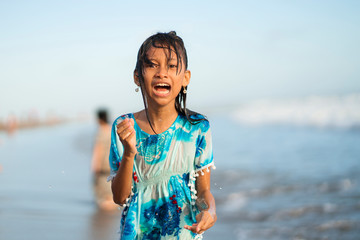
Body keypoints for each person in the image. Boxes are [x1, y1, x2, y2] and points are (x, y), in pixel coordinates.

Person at [108, 31, 217, 239]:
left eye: (172, 66)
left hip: (182, 233)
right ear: (137, 77)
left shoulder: (197, 128)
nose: (162, 73)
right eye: (152, 65)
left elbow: (203, 192)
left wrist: (209, 210)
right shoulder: (124, 127)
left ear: (185, 78)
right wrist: (129, 152)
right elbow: (120, 198)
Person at [91, 109, 118, 211]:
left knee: (103, 193)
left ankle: (106, 215)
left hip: (103, 165)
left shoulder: (101, 131)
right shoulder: (112, 129)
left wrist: (95, 166)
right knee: (111, 189)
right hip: (113, 163)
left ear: (99, 119)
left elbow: (98, 149)